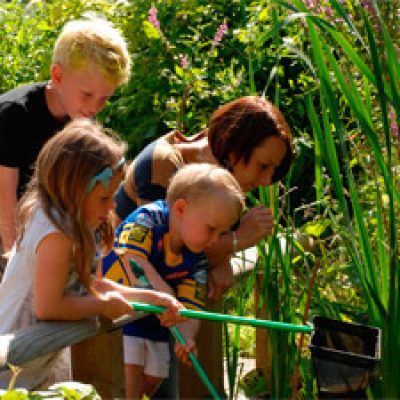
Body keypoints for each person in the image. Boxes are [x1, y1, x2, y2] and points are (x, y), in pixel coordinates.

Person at [0, 119, 184, 390]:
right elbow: (48, 306)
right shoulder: (55, 232)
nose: (112, 206)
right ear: (72, 190)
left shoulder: (80, 225)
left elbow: (90, 287)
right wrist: (102, 305)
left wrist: (151, 297)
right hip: (13, 366)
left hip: (43, 357)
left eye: (113, 196)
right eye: (103, 198)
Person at [114, 96, 293, 299]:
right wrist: (237, 240)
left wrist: (223, 258)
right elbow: (164, 262)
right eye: (262, 166)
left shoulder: (223, 181)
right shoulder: (163, 164)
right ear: (234, 149)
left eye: (273, 170)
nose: (266, 180)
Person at [0, 17, 131, 277]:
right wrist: (16, 263)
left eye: (104, 99)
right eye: (87, 95)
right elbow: (5, 200)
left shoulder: (80, 118)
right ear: (57, 76)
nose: (94, 108)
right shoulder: (14, 116)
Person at [102, 163, 245, 399]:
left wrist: (186, 338)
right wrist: (165, 295)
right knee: (129, 380)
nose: (214, 240)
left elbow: (190, 308)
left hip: (155, 324)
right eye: (211, 229)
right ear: (180, 208)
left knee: (155, 377)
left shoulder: (196, 260)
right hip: (120, 316)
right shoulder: (148, 219)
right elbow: (131, 258)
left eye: (222, 233)